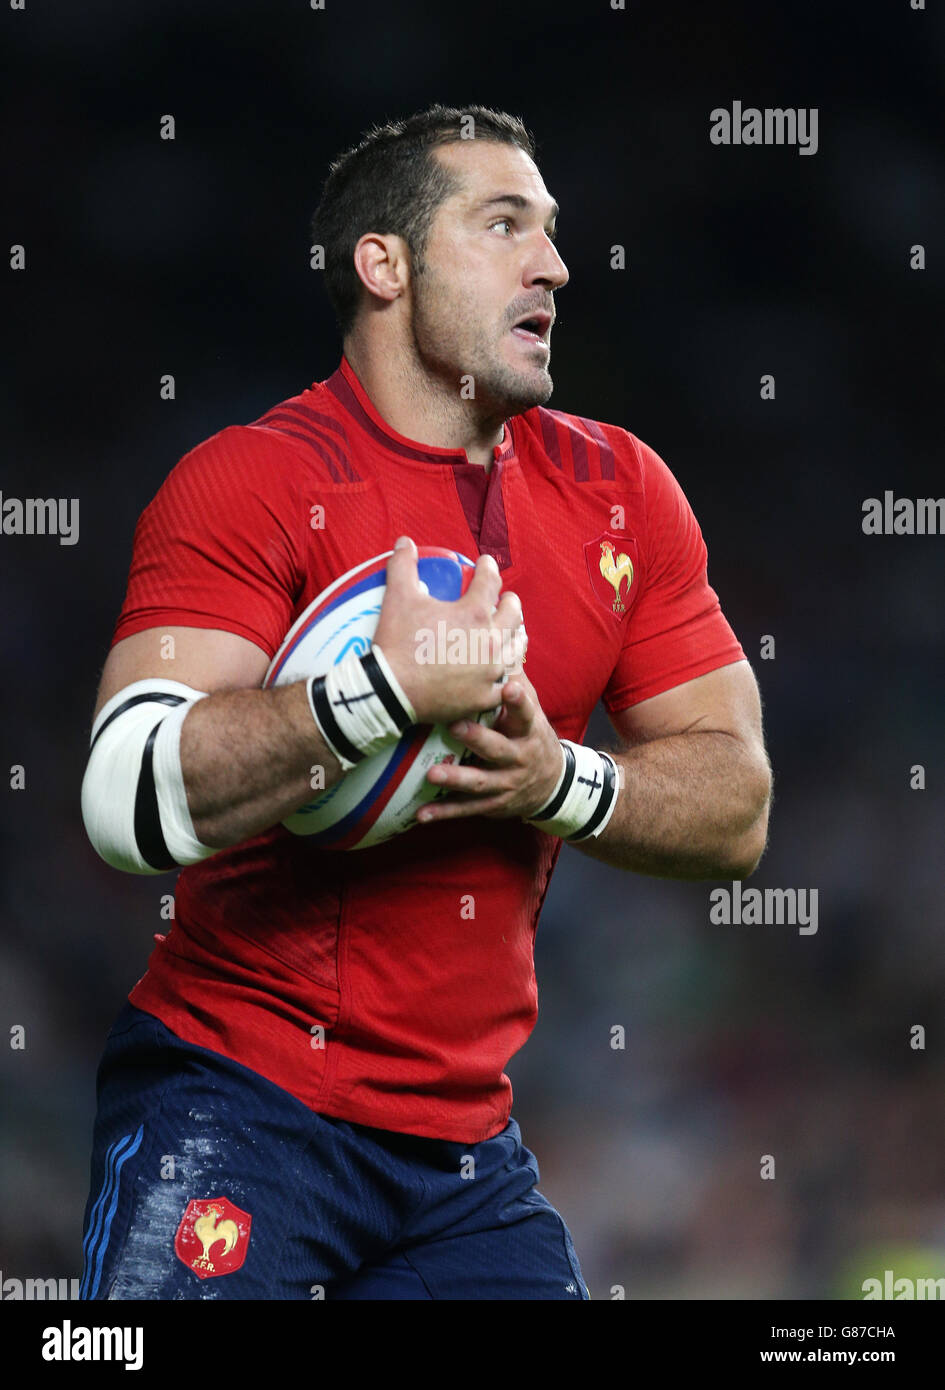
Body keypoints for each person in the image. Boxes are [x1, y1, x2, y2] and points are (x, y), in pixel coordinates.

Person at [78, 104, 771, 1300]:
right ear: (382, 264)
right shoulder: (249, 477)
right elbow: (121, 796)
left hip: (463, 1159)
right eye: (502, 224)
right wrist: (375, 694)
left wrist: (562, 780)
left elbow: (737, 811)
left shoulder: (621, 492)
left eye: (550, 233)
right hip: (234, 1100)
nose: (552, 263)